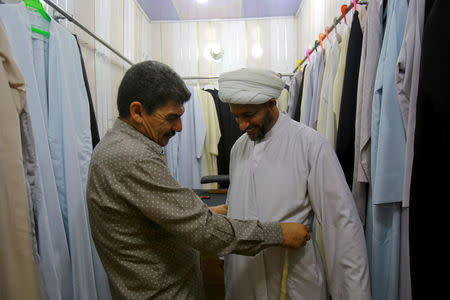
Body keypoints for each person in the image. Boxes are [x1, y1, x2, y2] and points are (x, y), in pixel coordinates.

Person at [86, 60, 312, 300]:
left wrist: (202, 211)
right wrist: (278, 233)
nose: (180, 127)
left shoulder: (120, 146)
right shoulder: (132, 156)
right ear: (137, 112)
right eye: (172, 117)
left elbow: (148, 216)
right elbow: (204, 231)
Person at [219, 68, 371, 300]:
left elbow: (340, 226)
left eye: (248, 115)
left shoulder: (310, 144)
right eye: (236, 116)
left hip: (294, 281)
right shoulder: (238, 148)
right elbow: (236, 209)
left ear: (272, 103)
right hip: (244, 282)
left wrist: (353, 295)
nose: (242, 125)